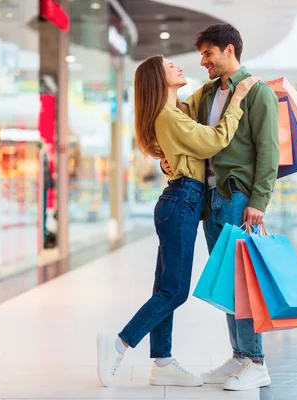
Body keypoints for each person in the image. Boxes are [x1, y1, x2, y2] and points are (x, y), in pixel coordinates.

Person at [97, 55, 259, 388]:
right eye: (171, 67)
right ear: (159, 79)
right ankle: (119, 343)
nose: (180, 68)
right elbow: (213, 141)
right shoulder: (169, 116)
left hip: (181, 200)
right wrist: (239, 100)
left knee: (165, 287)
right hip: (182, 201)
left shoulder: (177, 111)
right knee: (174, 292)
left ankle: (163, 360)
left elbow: (191, 132)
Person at [161, 24, 280, 391]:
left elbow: (268, 151)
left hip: (238, 199)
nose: (202, 62)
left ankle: (256, 361)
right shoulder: (206, 93)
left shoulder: (257, 93)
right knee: (228, 284)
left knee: (243, 283)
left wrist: (259, 201)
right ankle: (240, 356)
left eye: (208, 54)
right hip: (210, 201)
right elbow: (183, 130)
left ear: (229, 51)